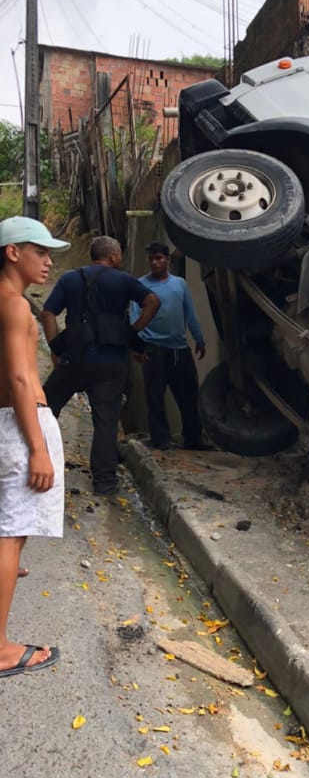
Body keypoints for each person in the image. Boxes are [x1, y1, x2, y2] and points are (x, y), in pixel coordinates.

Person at [40, 236, 159, 496]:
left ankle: (35, 467)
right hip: (111, 363)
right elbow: (153, 301)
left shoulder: (70, 279)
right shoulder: (124, 280)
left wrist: (54, 349)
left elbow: (48, 314)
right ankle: (104, 483)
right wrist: (131, 332)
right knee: (106, 423)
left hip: (73, 360)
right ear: (114, 256)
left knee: (44, 411)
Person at [0, 217, 67, 678]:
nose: (47, 261)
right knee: (11, 534)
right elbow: (22, 378)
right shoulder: (16, 306)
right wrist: (38, 448)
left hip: (3, 421)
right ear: (11, 253)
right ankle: (1, 649)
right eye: (38, 251)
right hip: (19, 425)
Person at [134, 241, 206, 450]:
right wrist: (137, 346)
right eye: (151, 259)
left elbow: (189, 313)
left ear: (167, 259)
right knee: (155, 397)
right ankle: (161, 439)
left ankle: (194, 439)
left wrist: (199, 338)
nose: (155, 263)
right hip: (152, 349)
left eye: (159, 258)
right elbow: (134, 316)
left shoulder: (179, 284)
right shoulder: (141, 286)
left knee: (189, 396)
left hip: (180, 349)